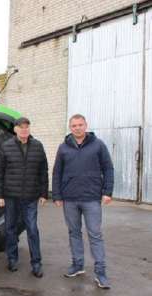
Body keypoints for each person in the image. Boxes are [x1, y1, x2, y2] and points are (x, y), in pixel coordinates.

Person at [52, 114, 114, 290]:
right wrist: (56, 195)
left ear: (86, 125)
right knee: (74, 233)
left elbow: (108, 168)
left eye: (80, 125)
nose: (77, 128)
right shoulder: (63, 148)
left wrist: (107, 192)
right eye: (74, 125)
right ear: (70, 127)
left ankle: (100, 273)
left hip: (92, 198)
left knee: (95, 234)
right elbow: (57, 172)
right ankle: (78, 265)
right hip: (70, 199)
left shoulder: (98, 145)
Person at [0, 117, 48, 278]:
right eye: (21, 127)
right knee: (10, 228)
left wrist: (44, 193)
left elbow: (43, 172)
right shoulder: (6, 146)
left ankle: (36, 264)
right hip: (11, 196)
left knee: (32, 229)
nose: (24, 130)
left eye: (27, 127)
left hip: (31, 196)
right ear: (15, 130)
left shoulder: (38, 146)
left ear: (29, 129)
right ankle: (12, 259)